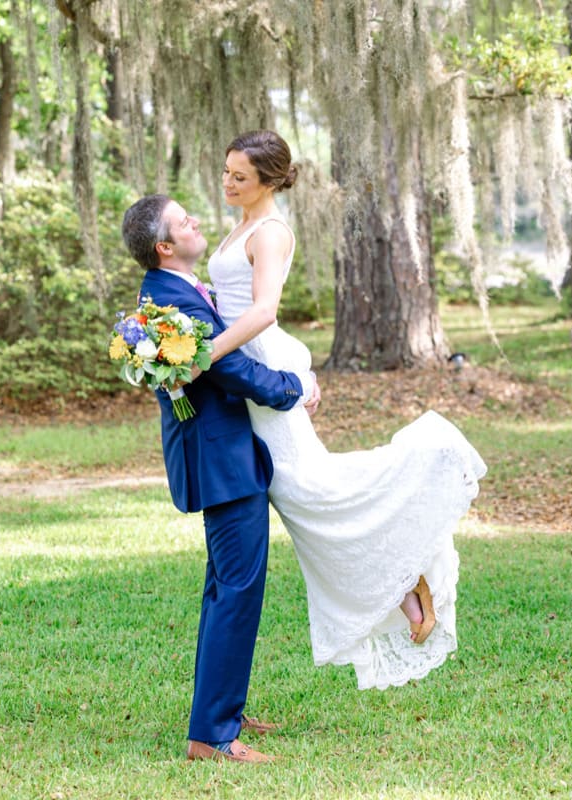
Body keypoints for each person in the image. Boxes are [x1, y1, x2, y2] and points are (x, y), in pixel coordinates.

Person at [204, 129, 486, 689]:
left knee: (308, 491)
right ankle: (406, 588)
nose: (229, 182)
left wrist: (204, 354)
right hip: (242, 368)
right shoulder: (240, 225)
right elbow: (229, 300)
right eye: (227, 171)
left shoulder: (272, 232)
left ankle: (411, 572)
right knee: (304, 495)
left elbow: (262, 311)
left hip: (258, 364)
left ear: (270, 181)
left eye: (241, 176)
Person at [122, 194, 321, 764]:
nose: (197, 222)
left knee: (223, 591)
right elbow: (227, 365)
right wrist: (294, 387)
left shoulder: (172, 291)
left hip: (218, 451)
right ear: (165, 246)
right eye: (184, 222)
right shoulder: (168, 300)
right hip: (221, 457)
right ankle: (212, 736)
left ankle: (220, 710)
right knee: (236, 592)